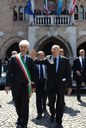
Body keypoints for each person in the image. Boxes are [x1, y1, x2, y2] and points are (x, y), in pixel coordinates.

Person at [35, 45, 72, 128]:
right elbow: (39, 62)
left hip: (61, 85)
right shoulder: (48, 58)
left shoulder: (65, 60)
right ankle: (52, 114)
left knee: (60, 103)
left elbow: (68, 74)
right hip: (50, 85)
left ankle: (59, 121)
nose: (53, 50)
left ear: (59, 50)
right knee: (51, 102)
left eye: (55, 49)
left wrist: (69, 86)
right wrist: (33, 57)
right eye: (52, 49)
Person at [5, 40, 36, 128]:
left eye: (24, 47)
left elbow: (33, 73)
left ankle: (24, 123)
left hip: (26, 86)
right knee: (17, 103)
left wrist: (34, 86)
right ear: (19, 48)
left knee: (25, 105)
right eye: (21, 47)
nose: (23, 49)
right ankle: (20, 116)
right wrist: (7, 85)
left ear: (27, 49)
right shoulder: (14, 58)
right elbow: (9, 72)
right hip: (15, 85)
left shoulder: (30, 59)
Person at [35, 51, 47, 119]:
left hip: (45, 81)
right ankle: (39, 112)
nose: (43, 56)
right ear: (38, 56)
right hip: (38, 82)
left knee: (45, 95)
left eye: (43, 55)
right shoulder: (34, 62)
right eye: (41, 55)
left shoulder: (46, 62)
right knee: (38, 97)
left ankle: (44, 106)